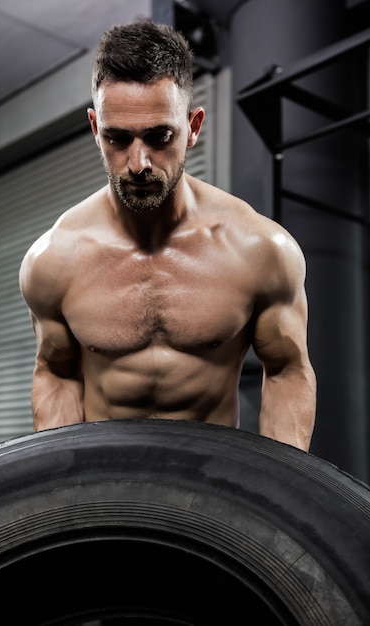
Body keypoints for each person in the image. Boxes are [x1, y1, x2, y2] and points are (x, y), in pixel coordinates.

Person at [19, 18, 316, 452]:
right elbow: (57, 374)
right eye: (117, 139)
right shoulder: (54, 260)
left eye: (159, 136)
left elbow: (288, 370)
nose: (137, 163)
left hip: (211, 478)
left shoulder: (260, 250)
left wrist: (280, 493)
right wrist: (66, 489)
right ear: (94, 129)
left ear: (193, 126)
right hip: (107, 476)